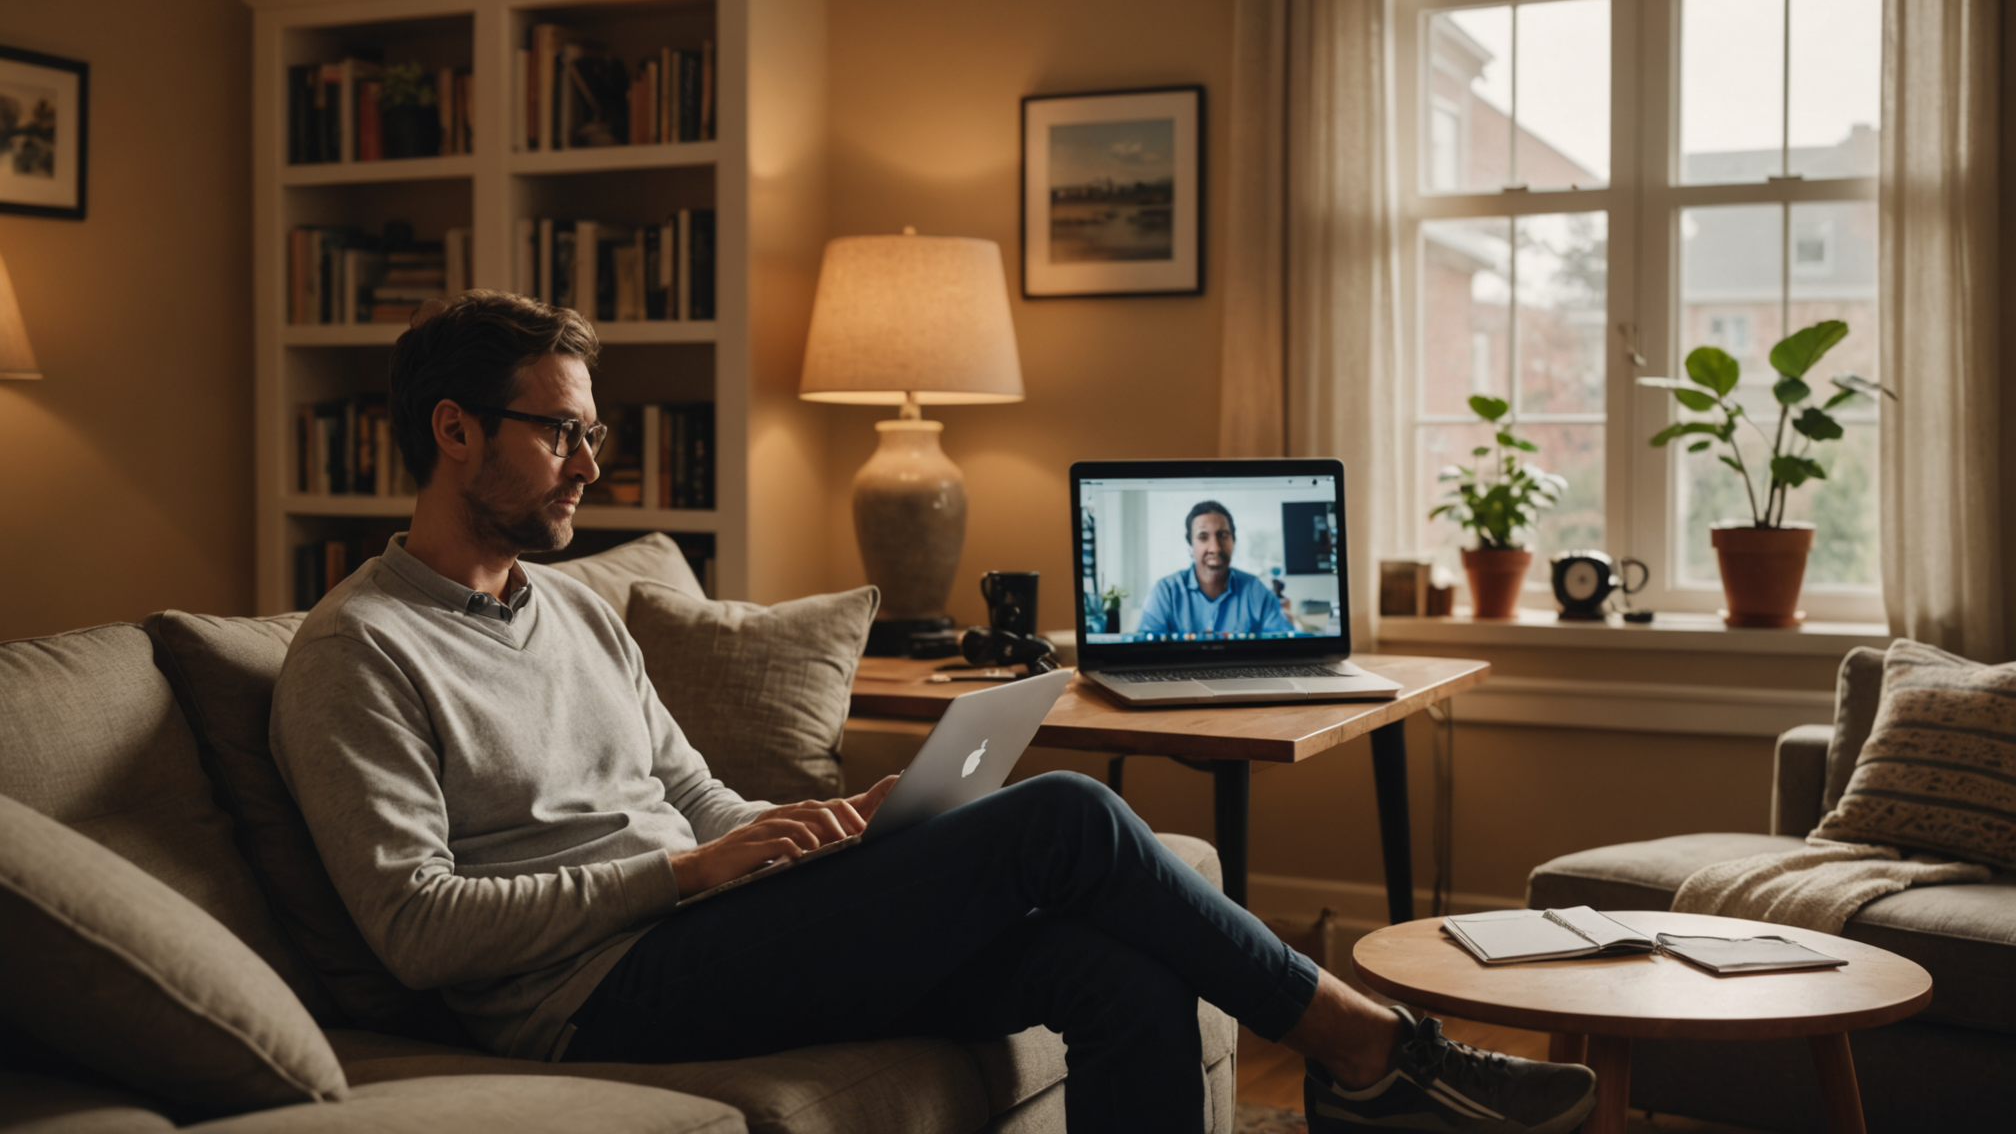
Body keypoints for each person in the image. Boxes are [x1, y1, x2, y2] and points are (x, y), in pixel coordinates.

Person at [269, 291, 1596, 1134]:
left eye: (592, 436)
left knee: (1113, 971)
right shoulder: (358, 649)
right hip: (592, 993)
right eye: (562, 434)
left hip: (699, 923)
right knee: (1072, 813)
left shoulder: (573, 609)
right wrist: (687, 871)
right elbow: (418, 931)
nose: (590, 467)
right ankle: (1371, 1049)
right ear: (454, 433)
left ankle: (1366, 1067)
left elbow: (696, 798)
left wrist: (807, 834)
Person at [1134, 501, 1296, 637]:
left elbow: (1284, 643)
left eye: (1223, 535)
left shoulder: (1255, 590)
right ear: (1191, 545)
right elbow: (1144, 653)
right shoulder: (1165, 592)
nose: (1215, 548)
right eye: (1203, 537)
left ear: (1234, 541)